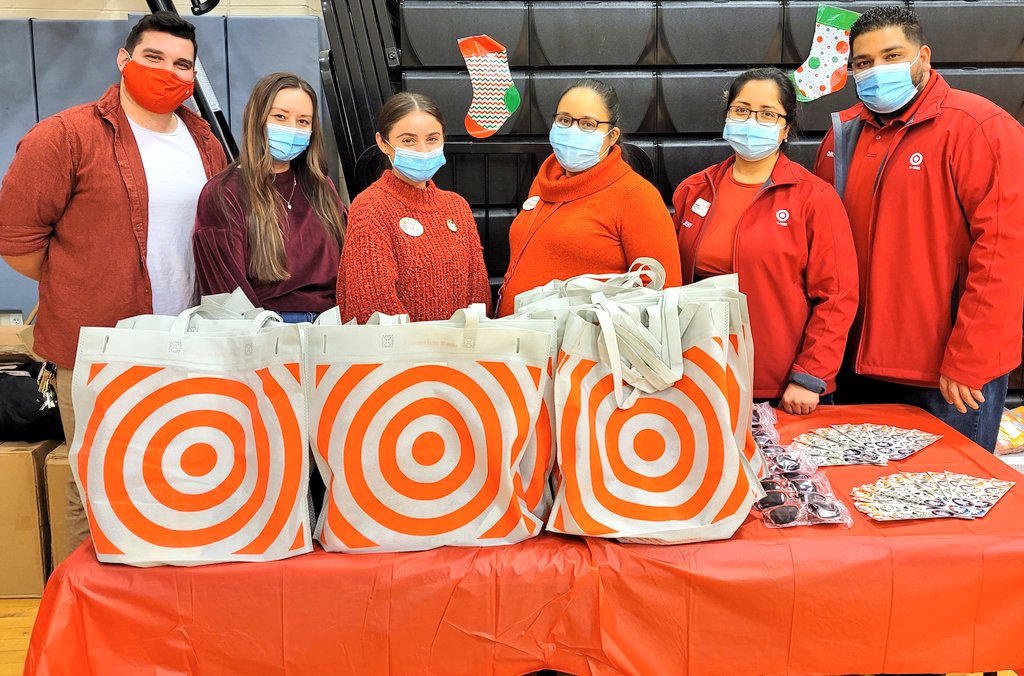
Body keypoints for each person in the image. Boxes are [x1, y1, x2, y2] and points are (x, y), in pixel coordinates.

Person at [0, 12, 227, 550]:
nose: (168, 72)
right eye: (154, 57)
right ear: (123, 60)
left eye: (182, 64)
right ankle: (89, 595)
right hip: (100, 347)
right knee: (96, 484)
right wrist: (83, 281)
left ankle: (161, 585)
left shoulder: (204, 140)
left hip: (188, 341)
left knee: (181, 473)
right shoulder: (64, 137)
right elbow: (17, 241)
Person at [814, 6, 1024, 450]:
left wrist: (971, 357)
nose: (877, 70)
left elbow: (1005, 253)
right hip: (853, 365)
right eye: (864, 62)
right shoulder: (843, 134)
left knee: (949, 490)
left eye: (891, 56)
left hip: (945, 374)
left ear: (923, 56)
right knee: (856, 487)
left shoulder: (979, 128)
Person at [672, 68, 858, 415]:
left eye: (767, 114)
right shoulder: (694, 189)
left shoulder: (813, 198)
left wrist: (809, 376)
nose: (751, 121)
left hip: (782, 387)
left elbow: (837, 297)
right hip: (701, 375)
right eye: (741, 110)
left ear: (786, 128)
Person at [496, 78, 682, 317]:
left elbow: (662, 292)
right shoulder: (546, 183)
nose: (572, 131)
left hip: (579, 339)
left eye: (587, 124)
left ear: (612, 136)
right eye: (564, 120)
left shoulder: (637, 196)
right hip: (517, 334)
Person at [194, 72, 347, 323]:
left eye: (303, 121)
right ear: (257, 119)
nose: (292, 129)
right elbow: (227, 295)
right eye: (280, 117)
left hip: (331, 323)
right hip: (266, 327)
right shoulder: (224, 193)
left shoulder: (321, 187)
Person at [336, 92, 491, 323]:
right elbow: (372, 306)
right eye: (408, 140)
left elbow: (478, 293)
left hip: (461, 345)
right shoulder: (370, 207)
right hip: (401, 346)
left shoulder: (457, 207)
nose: (422, 150)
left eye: (432, 139)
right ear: (383, 143)